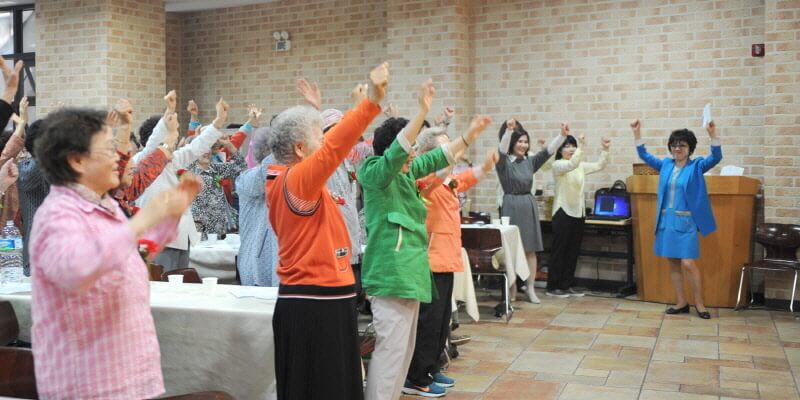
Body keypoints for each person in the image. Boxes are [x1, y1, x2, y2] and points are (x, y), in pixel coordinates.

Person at [29, 107, 201, 399]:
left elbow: (137, 253)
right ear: (77, 160)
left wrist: (169, 216)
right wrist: (143, 219)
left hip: (127, 373)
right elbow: (77, 269)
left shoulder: (104, 205)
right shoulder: (58, 215)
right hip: (88, 383)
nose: (119, 158)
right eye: (109, 149)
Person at [359, 79, 491, 400]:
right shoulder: (375, 171)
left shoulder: (406, 174)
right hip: (390, 276)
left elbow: (436, 158)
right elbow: (397, 153)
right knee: (390, 355)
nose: (414, 153)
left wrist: (468, 137)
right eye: (411, 147)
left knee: (402, 354)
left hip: (411, 276)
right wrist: (421, 111)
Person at [266, 62, 387, 400]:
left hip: (322, 298)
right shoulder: (296, 180)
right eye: (319, 138)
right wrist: (370, 102)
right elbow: (335, 147)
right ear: (300, 149)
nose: (326, 143)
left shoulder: (291, 178)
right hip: (314, 302)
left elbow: (331, 145)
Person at [403, 126, 497, 397]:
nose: (452, 152)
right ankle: (416, 377)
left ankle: (432, 367)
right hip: (430, 260)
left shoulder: (447, 180)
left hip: (447, 258)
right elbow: (442, 175)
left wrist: (485, 167)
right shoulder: (424, 178)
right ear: (427, 153)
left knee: (441, 322)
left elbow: (463, 180)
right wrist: (460, 147)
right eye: (446, 148)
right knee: (428, 322)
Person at [631, 119, 721, 319]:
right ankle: (681, 302)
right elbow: (644, 155)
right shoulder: (665, 165)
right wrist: (637, 134)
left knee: (688, 263)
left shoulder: (696, 166)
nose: (677, 148)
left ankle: (700, 304)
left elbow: (716, 157)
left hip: (686, 222)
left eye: (682, 145)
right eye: (674, 145)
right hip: (666, 221)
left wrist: (713, 135)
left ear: (690, 148)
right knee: (673, 262)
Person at [136, 93, 229, 270]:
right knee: (161, 283)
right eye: (172, 135)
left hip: (181, 237)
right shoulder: (142, 161)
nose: (176, 140)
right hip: (157, 239)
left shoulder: (172, 160)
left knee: (181, 283)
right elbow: (152, 144)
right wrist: (168, 114)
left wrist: (218, 122)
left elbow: (195, 148)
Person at [496, 119, 567, 304]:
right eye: (520, 141)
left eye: (526, 142)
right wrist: (508, 131)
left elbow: (548, 152)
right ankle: (511, 287)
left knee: (530, 249)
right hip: (510, 204)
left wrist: (562, 136)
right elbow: (501, 150)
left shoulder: (530, 161)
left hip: (528, 205)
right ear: (513, 143)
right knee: (511, 250)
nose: (523, 145)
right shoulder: (503, 162)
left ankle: (530, 288)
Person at [547, 130, 610, 298]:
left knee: (573, 251)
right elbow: (571, 164)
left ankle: (566, 284)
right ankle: (553, 286)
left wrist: (605, 150)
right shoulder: (558, 165)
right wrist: (581, 146)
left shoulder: (580, 165)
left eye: (573, 146)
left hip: (578, 213)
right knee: (559, 251)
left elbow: (599, 165)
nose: (571, 149)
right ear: (560, 150)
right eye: (567, 146)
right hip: (562, 212)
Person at [236, 127, 279, 286]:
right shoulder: (247, 178)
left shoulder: (281, 176)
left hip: (276, 261)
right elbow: (265, 174)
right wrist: (284, 145)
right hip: (255, 264)